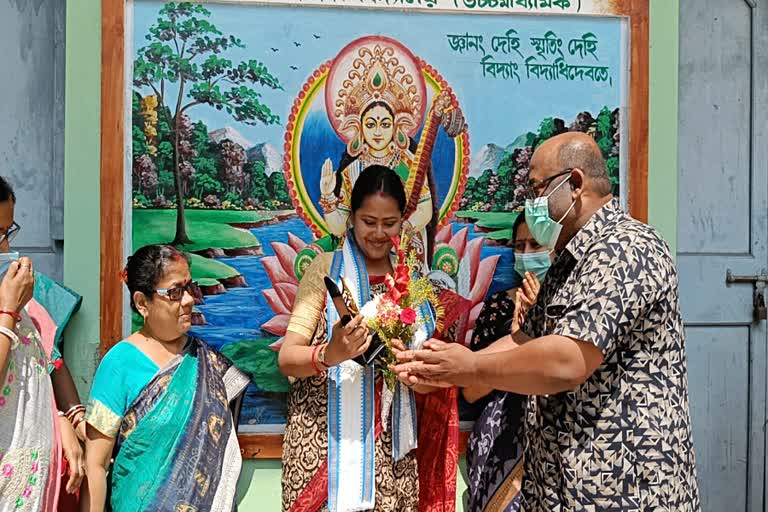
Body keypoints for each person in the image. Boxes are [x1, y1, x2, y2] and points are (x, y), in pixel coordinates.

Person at [395, 132, 701, 510]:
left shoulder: (626, 248)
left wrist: (472, 365)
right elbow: (526, 340)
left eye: (538, 188)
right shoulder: (569, 260)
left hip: (623, 489)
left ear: (574, 184)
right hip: (563, 490)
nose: (531, 202)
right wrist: (447, 366)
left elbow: (568, 359)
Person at [279, 165, 443, 512]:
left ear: (404, 221)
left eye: (390, 223)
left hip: (390, 455)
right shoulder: (326, 270)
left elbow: (430, 383)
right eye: (369, 222)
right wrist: (330, 353)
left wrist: (412, 371)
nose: (379, 233)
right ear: (352, 218)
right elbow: (287, 359)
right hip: (324, 447)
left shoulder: (413, 281)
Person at [81, 244, 250, 512]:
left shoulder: (207, 363)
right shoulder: (119, 364)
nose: (188, 299)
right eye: (174, 292)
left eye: (188, 287)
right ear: (141, 303)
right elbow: (96, 464)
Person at [318, 37, 466, 262]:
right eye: (370, 124)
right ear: (359, 129)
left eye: (385, 124)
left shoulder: (407, 164)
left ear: (397, 126)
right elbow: (340, 228)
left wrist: (399, 230)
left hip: (402, 252)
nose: (378, 132)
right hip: (361, 255)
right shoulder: (352, 171)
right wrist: (328, 197)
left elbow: (424, 210)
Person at [0, 176, 84, 511]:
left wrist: (69, 418)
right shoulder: (11, 301)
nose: (6, 247)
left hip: (35, 487)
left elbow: (48, 361)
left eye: (8, 232)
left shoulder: (23, 300)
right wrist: (7, 311)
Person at [462, 211, 552, 512]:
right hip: (499, 444)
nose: (525, 255)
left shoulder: (574, 307)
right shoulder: (500, 306)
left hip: (556, 444)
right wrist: (516, 340)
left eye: (535, 245)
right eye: (519, 245)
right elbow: (471, 390)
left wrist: (537, 329)